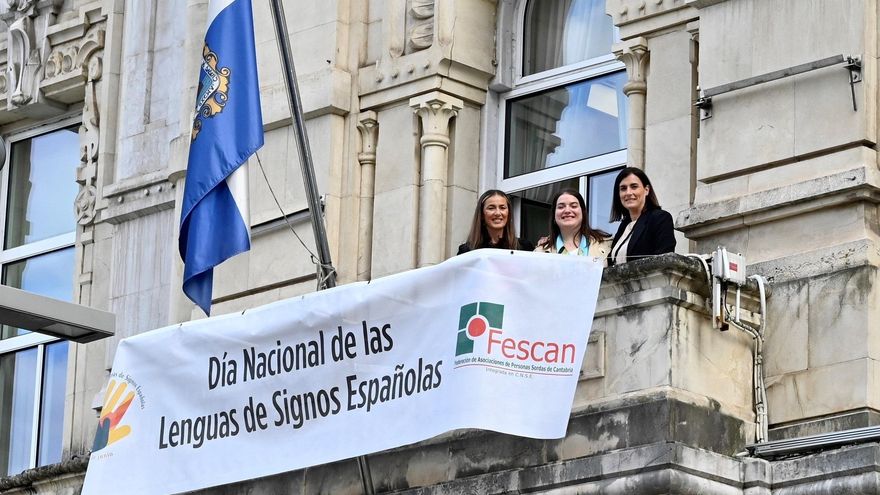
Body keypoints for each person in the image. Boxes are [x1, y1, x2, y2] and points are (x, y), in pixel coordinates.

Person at [607, 167, 676, 266]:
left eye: (634, 187)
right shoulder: (624, 226)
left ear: (646, 190)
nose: (628, 193)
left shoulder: (660, 218)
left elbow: (665, 260)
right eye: (623, 188)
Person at [534, 189, 611, 259]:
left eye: (573, 206)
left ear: (583, 213)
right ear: (554, 215)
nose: (567, 210)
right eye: (561, 207)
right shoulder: (539, 253)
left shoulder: (606, 244)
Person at [457, 190, 534, 254]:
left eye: (502, 208)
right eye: (491, 208)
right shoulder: (466, 251)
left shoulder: (524, 247)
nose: (497, 213)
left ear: (509, 213)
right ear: (482, 214)